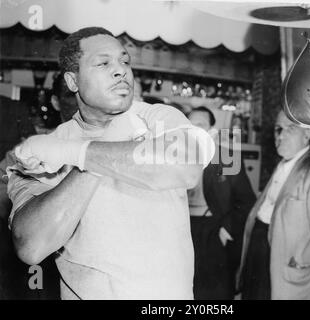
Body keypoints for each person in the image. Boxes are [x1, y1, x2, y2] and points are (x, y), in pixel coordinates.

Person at [7, 27, 214, 300]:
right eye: (103, 63)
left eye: (124, 61)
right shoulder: (43, 152)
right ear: (73, 82)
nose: (120, 71)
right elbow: (31, 246)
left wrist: (79, 152)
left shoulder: (158, 117)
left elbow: (185, 168)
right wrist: (92, 157)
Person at [238, 109, 310, 300]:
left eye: (290, 129)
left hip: (287, 266)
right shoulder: (283, 164)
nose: (280, 136)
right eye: (278, 129)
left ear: (306, 134)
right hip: (259, 253)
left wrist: (306, 265)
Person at [0, 73, 77, 300]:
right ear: (55, 102)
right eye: (71, 94)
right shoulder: (28, 154)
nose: (80, 100)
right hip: (40, 267)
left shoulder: (110, 151)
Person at [187, 106, 256, 299]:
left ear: (211, 131)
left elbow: (246, 201)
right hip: (182, 228)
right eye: (189, 126)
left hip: (213, 230)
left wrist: (227, 230)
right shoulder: (173, 156)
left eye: (199, 125)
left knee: (213, 294)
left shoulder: (227, 158)